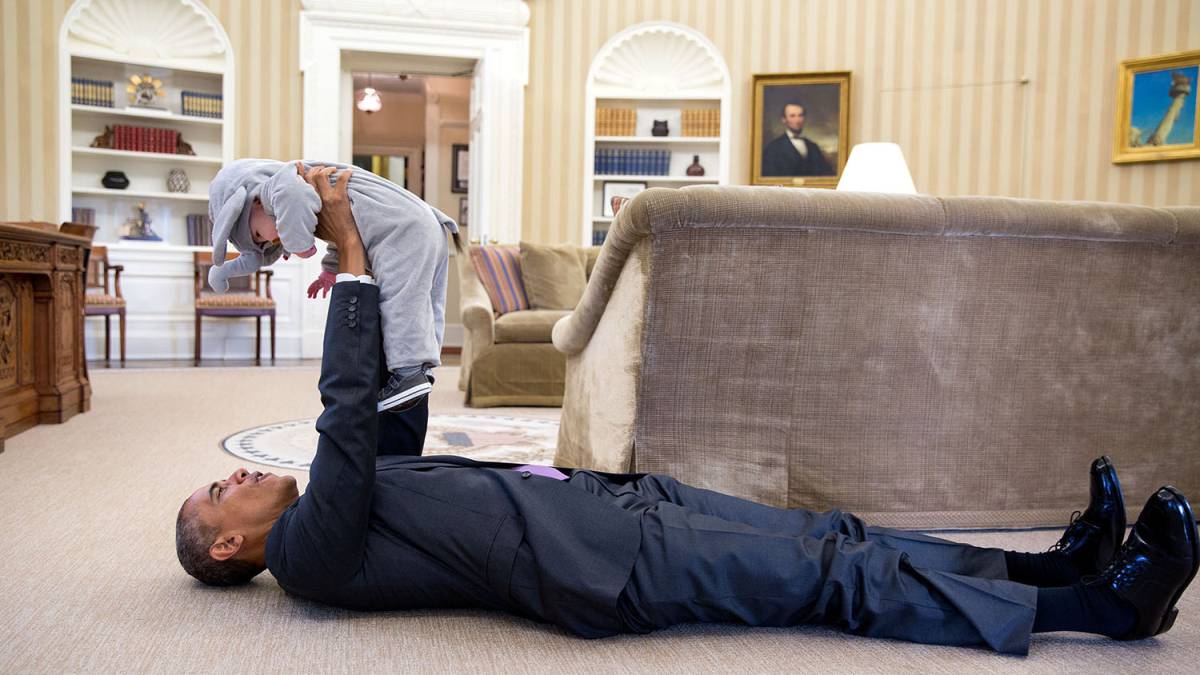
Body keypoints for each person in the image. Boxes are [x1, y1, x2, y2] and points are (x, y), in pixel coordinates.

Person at [176, 169, 1199, 655]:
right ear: (231, 551)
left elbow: (391, 393)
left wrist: (368, 269)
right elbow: (348, 417)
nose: (232, 478)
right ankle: (1101, 610)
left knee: (833, 532)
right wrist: (347, 250)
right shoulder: (309, 557)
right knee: (829, 579)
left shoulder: (340, 508)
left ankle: (1048, 566)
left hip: (611, 508)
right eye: (217, 496)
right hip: (608, 568)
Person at [206, 159, 461, 413]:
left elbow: (294, 198)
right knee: (425, 300)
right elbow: (349, 223)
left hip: (402, 230)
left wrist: (300, 245)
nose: (271, 240)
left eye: (259, 236)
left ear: (255, 201)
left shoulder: (282, 185)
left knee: (401, 301)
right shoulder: (310, 190)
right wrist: (330, 271)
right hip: (420, 222)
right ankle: (423, 369)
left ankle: (409, 371)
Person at [761, 102, 835, 177]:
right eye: (792, 116)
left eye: (800, 115)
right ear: (784, 119)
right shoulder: (772, 148)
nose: (797, 120)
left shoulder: (813, 147)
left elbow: (827, 175)